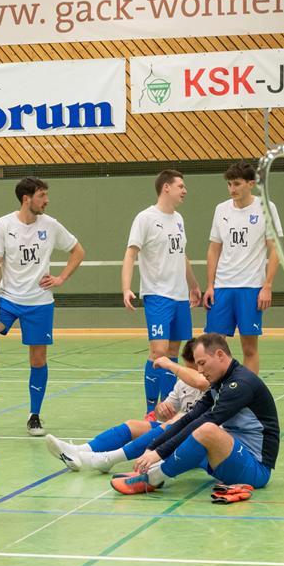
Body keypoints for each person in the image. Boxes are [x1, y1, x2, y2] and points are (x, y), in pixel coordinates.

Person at [111, 333, 278, 495]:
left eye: (202, 363)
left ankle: (153, 478)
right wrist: (153, 448)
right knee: (188, 424)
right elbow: (190, 417)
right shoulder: (221, 382)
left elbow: (207, 420)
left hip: (256, 470)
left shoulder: (240, 384)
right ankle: (151, 469)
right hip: (231, 457)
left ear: (220, 355)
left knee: (207, 430)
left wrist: (160, 452)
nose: (199, 370)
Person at [0, 177, 86, 436]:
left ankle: (34, 415)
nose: (47, 200)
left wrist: (61, 278)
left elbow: (78, 251)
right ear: (26, 199)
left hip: (40, 303)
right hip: (8, 299)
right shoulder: (3, 225)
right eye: (42, 195)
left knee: (38, 359)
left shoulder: (51, 225)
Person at [45, 338, 207, 473]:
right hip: (180, 431)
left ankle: (109, 458)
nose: (190, 373)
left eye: (194, 369)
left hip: (202, 439)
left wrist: (170, 364)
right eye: (188, 369)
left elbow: (200, 382)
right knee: (134, 425)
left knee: (176, 421)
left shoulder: (213, 379)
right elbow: (160, 415)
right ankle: (81, 450)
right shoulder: (183, 383)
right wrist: (162, 409)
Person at [121, 169, 201, 414]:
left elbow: (182, 256)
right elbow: (131, 253)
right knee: (158, 352)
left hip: (179, 297)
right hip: (157, 295)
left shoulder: (178, 219)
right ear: (166, 187)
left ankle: (168, 407)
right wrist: (126, 288)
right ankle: (150, 409)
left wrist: (194, 285)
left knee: (174, 353)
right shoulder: (145, 218)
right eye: (181, 186)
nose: (185, 191)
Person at [203, 161, 282, 374]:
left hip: (251, 287)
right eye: (229, 184)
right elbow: (214, 249)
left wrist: (267, 285)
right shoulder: (221, 209)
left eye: (236, 184)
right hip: (222, 287)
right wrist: (210, 285)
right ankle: (217, 395)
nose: (232, 189)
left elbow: (275, 250)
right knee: (213, 346)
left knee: (249, 348)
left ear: (251, 183)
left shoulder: (266, 207)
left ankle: (248, 396)